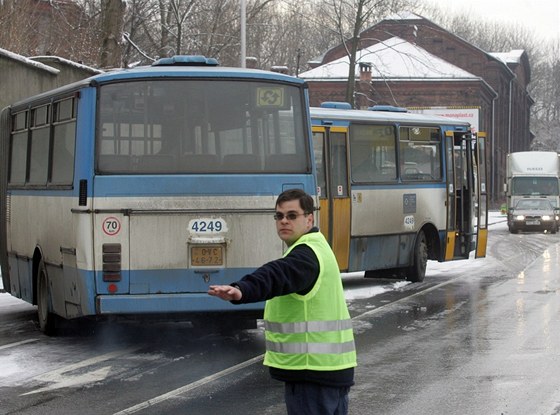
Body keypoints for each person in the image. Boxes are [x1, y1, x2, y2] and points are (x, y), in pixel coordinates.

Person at [208, 188, 356, 415]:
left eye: (292, 215)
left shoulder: (305, 256)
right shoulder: (317, 248)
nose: (284, 221)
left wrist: (242, 290)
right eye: (279, 216)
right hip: (328, 372)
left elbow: (277, 274)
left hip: (312, 374)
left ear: (309, 219)